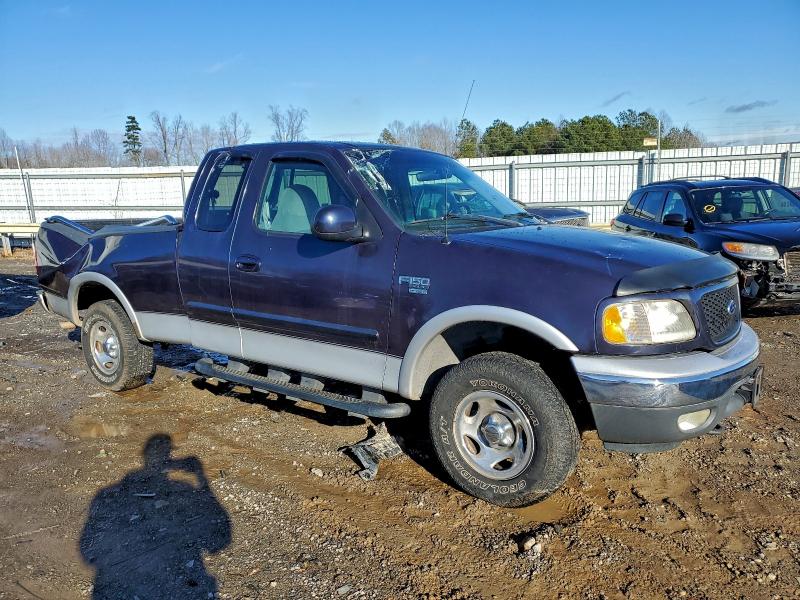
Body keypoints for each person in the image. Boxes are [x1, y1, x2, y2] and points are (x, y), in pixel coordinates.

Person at [79, 434, 231, 599]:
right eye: (163, 455)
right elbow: (218, 540)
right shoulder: (182, 492)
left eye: (165, 455)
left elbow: (89, 551)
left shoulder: (111, 495)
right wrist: (201, 479)